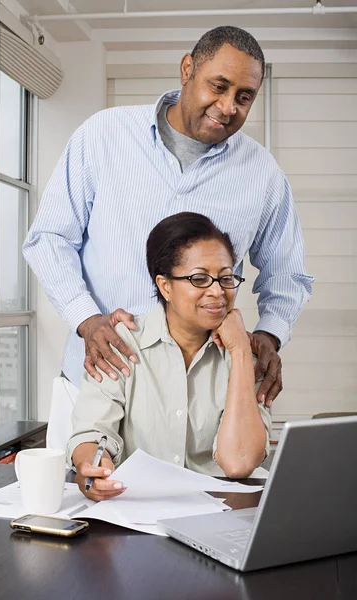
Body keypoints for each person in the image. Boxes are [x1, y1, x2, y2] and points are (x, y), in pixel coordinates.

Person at [23, 26, 313, 450]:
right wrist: (86, 319)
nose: (228, 106)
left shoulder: (262, 174)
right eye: (219, 86)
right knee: (83, 507)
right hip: (99, 380)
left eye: (245, 96)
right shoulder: (103, 136)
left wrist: (267, 337)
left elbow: (288, 275)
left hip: (200, 406)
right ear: (187, 69)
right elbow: (48, 237)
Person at [69, 213, 271, 501]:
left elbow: (239, 463)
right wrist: (92, 466)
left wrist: (239, 353)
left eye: (226, 278)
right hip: (137, 511)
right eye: (199, 278)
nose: (217, 291)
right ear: (165, 286)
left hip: (222, 514)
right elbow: (92, 432)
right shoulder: (120, 344)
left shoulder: (248, 353)